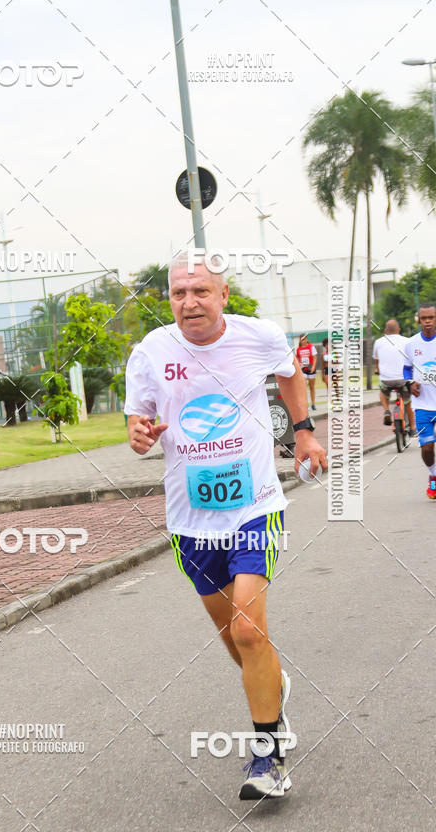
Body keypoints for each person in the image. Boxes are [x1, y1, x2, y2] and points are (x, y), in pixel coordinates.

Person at [125, 252, 327, 800]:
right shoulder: (151, 352)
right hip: (191, 519)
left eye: (200, 292)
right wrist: (139, 433)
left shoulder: (257, 336)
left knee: (246, 629)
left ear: (223, 296)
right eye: (178, 294)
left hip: (254, 504)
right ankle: (271, 686)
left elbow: (290, 375)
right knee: (231, 637)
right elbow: (136, 421)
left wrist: (304, 432)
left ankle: (268, 755)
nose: (189, 302)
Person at [403, 303, 436, 500]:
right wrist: (409, 383)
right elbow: (407, 369)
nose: (428, 321)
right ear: (419, 320)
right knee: (427, 447)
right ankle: (433, 475)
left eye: (431, 317)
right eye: (424, 318)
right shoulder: (411, 343)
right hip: (422, 405)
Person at [373, 319, 416, 435]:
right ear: (399, 330)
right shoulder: (407, 341)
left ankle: (386, 411)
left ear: (386, 330)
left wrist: (377, 369)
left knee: (383, 393)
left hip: (386, 380)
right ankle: (412, 428)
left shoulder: (378, 342)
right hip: (403, 379)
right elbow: (412, 359)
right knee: (408, 402)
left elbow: (376, 360)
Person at [295, 334, 317, 410]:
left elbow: (315, 358)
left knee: (311, 387)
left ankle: (313, 404)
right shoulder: (298, 349)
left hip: (311, 368)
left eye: (304, 339)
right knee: (303, 386)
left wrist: (313, 367)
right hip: (303, 369)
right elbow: (297, 359)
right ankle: (305, 404)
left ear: (307, 339)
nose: (303, 341)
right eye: (301, 339)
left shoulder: (311, 347)